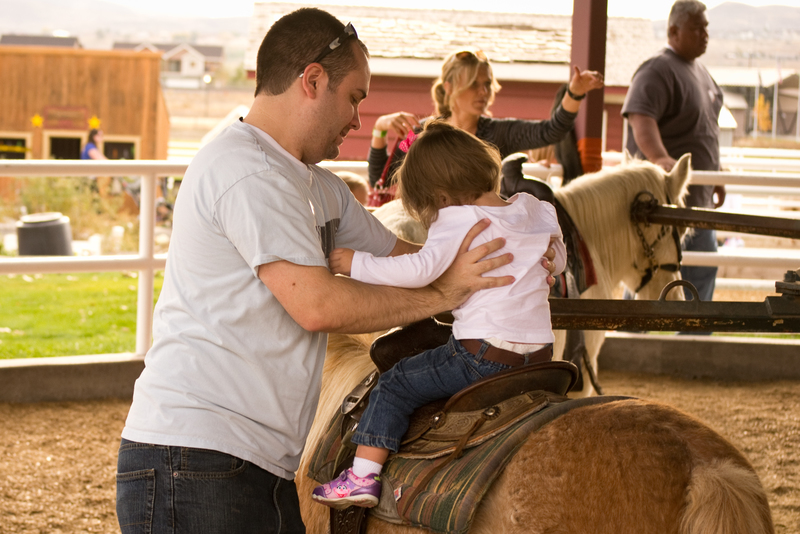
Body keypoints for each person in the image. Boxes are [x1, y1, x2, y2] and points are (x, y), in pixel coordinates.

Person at [115, 9, 557, 534]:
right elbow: (317, 305)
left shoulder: (318, 187)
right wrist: (450, 291)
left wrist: (507, 253)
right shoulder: (245, 170)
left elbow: (401, 254)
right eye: (354, 98)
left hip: (257, 459)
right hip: (193, 453)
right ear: (312, 81)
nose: (357, 119)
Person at [312, 120, 566, 509]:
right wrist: (551, 259)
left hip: (483, 354)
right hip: (541, 354)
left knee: (396, 382)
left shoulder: (460, 217)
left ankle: (361, 478)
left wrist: (355, 263)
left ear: (440, 196)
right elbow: (557, 256)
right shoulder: (534, 207)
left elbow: (421, 269)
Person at [366, 48, 604, 190]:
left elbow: (551, 131)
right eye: (473, 84)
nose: (483, 91)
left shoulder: (499, 133)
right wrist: (379, 129)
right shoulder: (419, 134)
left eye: (487, 84)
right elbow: (381, 179)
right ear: (448, 88)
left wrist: (574, 93)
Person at [621, 0, 725, 306]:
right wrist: (659, 158)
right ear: (673, 30)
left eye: (706, 26)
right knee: (649, 276)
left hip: (698, 205)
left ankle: (693, 344)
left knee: (702, 272)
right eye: (697, 27)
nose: (705, 33)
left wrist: (718, 171)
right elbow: (641, 119)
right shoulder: (657, 70)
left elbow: (704, 131)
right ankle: (629, 340)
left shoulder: (702, 73)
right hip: (665, 205)